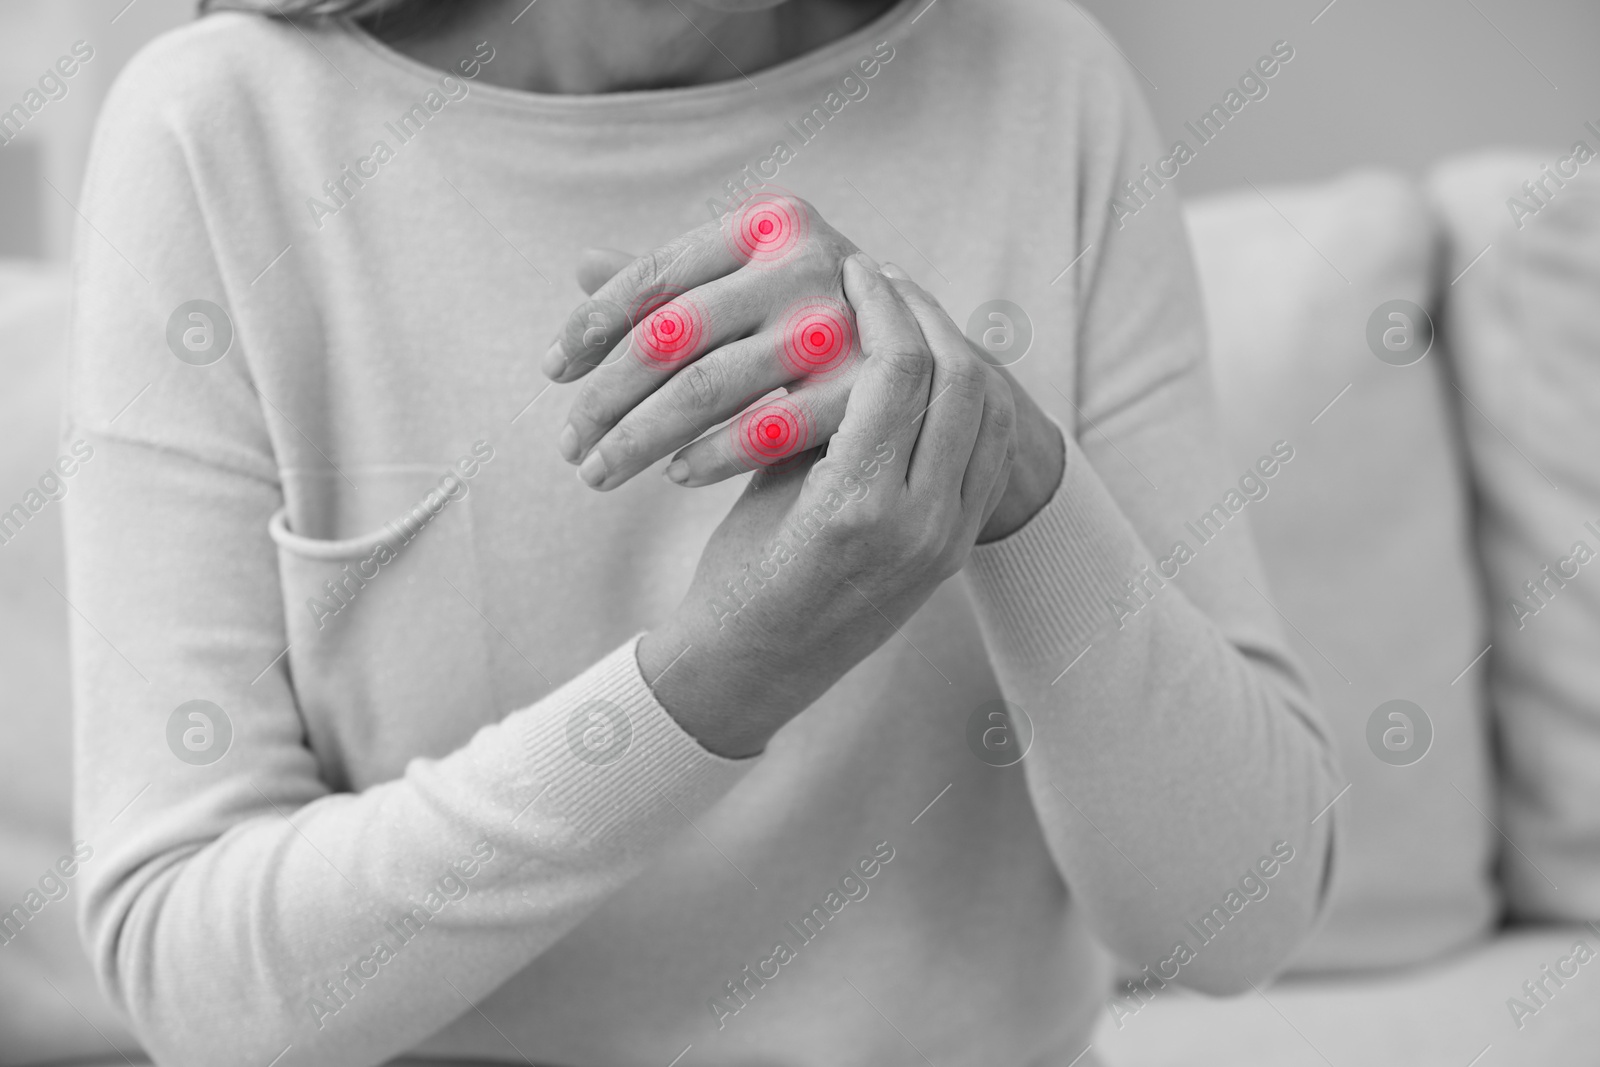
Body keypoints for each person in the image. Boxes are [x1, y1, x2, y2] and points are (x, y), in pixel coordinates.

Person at [64, 1, 1340, 1064]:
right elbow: (195, 979)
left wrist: (1000, 464)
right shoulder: (218, 129)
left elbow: (1242, 913)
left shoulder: (1043, 81)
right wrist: (717, 674)